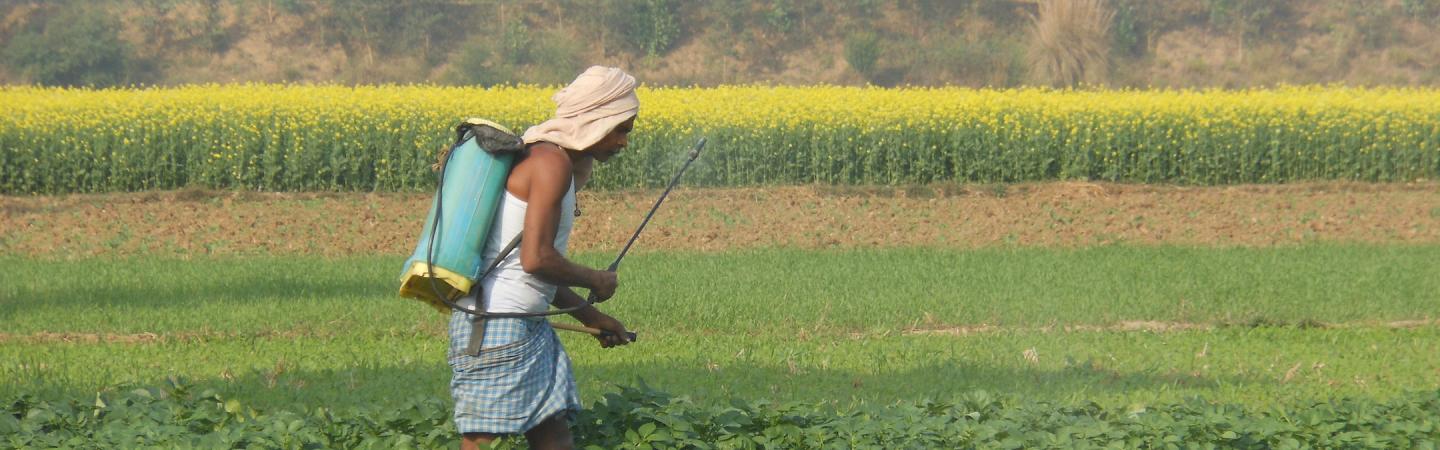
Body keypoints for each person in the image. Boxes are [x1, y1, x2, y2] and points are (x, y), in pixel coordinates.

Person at [449, 66, 637, 450]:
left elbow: (529, 272)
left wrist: (592, 316)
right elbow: (537, 259)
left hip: (523, 324)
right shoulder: (550, 164)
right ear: (595, 120)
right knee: (480, 440)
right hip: (498, 326)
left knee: (552, 435)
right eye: (622, 128)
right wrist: (596, 280)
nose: (623, 143)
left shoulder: (552, 161)